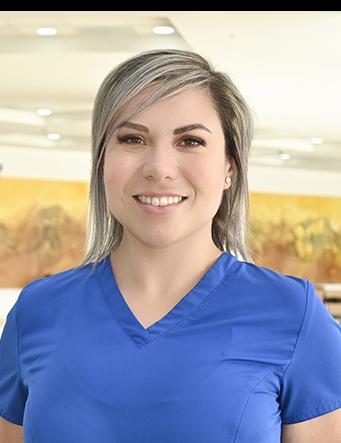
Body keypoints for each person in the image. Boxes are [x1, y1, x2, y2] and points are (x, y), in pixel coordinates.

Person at [0, 49, 340, 443]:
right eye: (132, 138)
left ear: (230, 167)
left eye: (190, 141)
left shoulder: (294, 315)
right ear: (102, 161)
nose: (159, 167)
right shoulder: (37, 311)